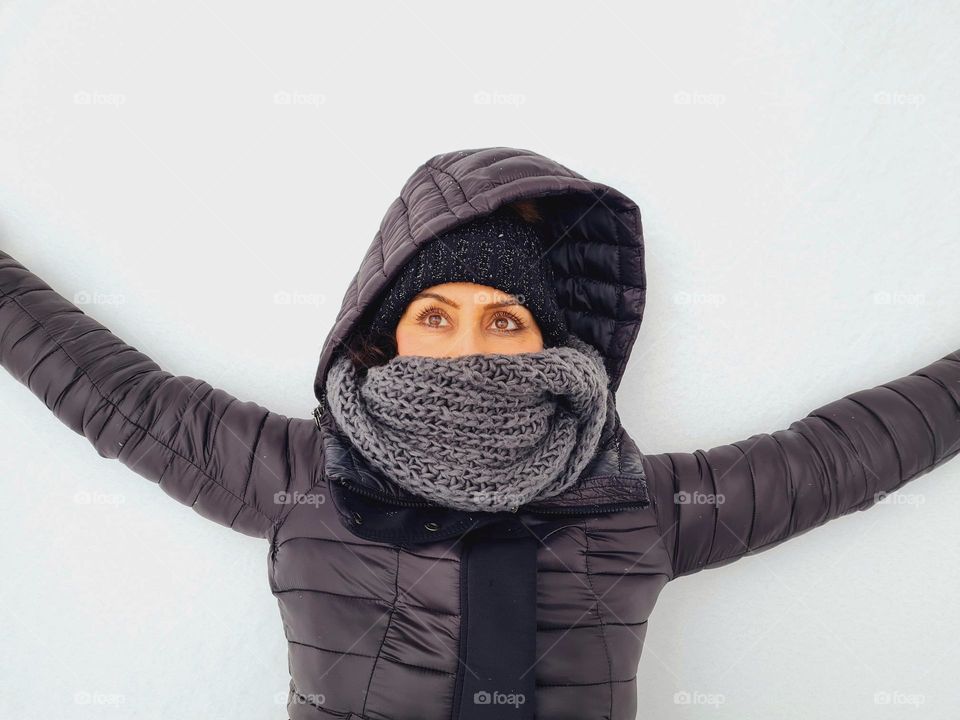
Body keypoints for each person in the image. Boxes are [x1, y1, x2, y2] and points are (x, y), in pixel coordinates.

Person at [0, 146, 957, 720]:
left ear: (549, 341)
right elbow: (110, 390)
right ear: (388, 333)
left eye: (505, 320)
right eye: (437, 314)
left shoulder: (643, 506)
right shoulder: (299, 473)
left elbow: (844, 455)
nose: (468, 348)